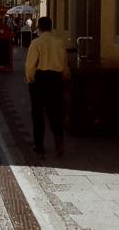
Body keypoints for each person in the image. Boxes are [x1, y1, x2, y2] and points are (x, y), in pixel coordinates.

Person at [25, 16, 69, 157]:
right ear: (51, 27)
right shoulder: (59, 43)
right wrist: (63, 78)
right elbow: (64, 63)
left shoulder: (36, 43)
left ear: (39, 27)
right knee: (55, 112)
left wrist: (30, 79)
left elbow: (30, 65)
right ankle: (59, 142)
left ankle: (39, 146)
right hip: (56, 80)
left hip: (40, 79)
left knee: (38, 114)